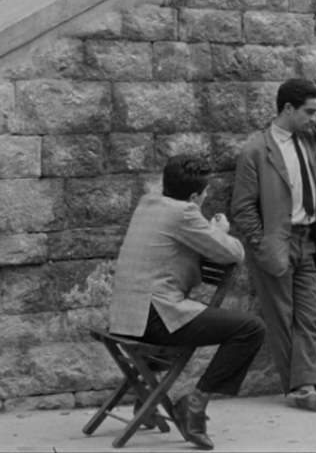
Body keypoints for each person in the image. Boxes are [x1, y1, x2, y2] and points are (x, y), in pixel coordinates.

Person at [110, 154, 265, 450]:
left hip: (124, 317)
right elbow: (233, 253)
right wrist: (219, 231)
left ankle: (145, 396)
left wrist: (205, 229)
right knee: (252, 328)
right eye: (204, 193)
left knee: (198, 324)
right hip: (154, 318)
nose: (205, 197)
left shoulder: (148, 203)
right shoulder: (185, 213)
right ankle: (194, 405)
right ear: (195, 195)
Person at [230, 78, 316, 412]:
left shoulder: (310, 137)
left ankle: (305, 384)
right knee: (281, 316)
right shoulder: (256, 150)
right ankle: (299, 388)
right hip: (276, 242)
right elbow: (242, 208)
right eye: (309, 111)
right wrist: (262, 244)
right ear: (287, 109)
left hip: (308, 240)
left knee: (310, 314)